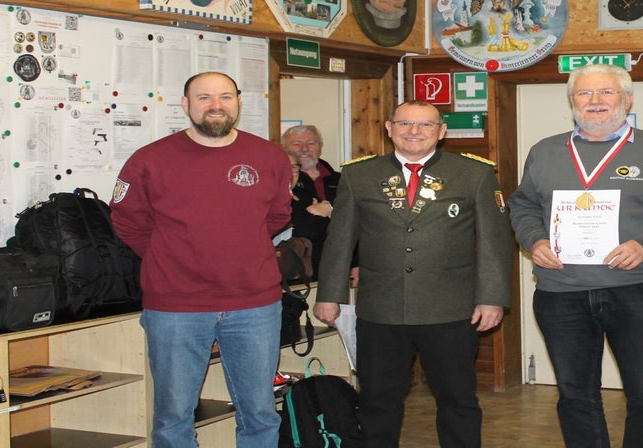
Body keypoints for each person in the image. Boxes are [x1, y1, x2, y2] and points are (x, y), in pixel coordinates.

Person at [509, 63, 643, 448]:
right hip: (561, 292)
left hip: (638, 288)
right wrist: (535, 241)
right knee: (575, 395)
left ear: (627, 99)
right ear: (572, 101)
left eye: (606, 92)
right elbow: (523, 205)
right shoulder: (544, 152)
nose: (595, 101)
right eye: (584, 93)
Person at [313, 100, 513, 448]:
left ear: (441, 131)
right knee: (377, 400)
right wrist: (329, 295)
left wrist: (492, 298)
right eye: (405, 123)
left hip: (450, 309)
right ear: (389, 128)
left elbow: (494, 242)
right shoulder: (359, 175)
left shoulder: (473, 173)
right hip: (381, 309)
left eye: (425, 125)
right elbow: (340, 240)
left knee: (458, 399)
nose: (414, 132)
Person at [110, 72, 292, 448]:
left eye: (225, 97)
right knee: (173, 416)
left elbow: (277, 216)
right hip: (176, 307)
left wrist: (240, 248)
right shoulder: (149, 160)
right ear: (186, 104)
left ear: (238, 102)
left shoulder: (269, 157)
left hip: (255, 304)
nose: (216, 105)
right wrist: (170, 256)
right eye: (204, 97)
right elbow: (128, 223)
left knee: (260, 412)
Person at [282, 124, 339, 276]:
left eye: (311, 143)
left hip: (340, 264)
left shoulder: (342, 180)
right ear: (285, 148)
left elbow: (358, 220)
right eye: (296, 144)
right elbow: (303, 227)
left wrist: (331, 208)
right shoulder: (280, 183)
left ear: (320, 147)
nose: (304, 149)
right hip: (298, 268)